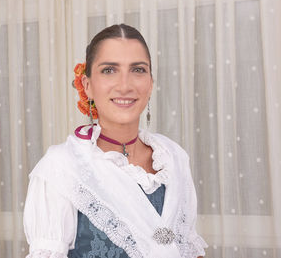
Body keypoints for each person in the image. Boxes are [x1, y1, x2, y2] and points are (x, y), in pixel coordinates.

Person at [23, 24, 207, 258]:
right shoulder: (61, 168)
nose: (124, 85)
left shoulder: (174, 158)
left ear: (150, 84)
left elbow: (187, 248)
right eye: (109, 70)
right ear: (87, 85)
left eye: (138, 70)